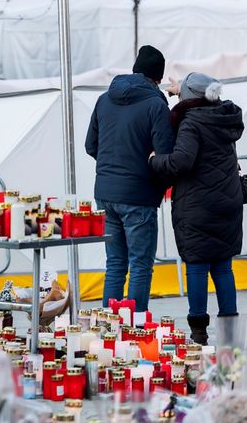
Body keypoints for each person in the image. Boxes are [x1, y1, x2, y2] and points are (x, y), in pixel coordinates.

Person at [149, 73, 244, 345]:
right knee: (224, 268)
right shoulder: (224, 117)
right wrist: (184, 88)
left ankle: (199, 331)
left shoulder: (191, 122)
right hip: (227, 201)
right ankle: (229, 333)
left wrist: (156, 160)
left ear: (190, 96)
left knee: (198, 267)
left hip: (198, 204)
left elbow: (182, 162)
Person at [85, 45, 174, 313]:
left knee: (115, 264)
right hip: (139, 195)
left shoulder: (104, 99)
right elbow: (165, 155)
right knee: (140, 265)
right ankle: (134, 331)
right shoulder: (156, 105)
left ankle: (108, 328)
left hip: (105, 193)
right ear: (157, 78)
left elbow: (91, 146)